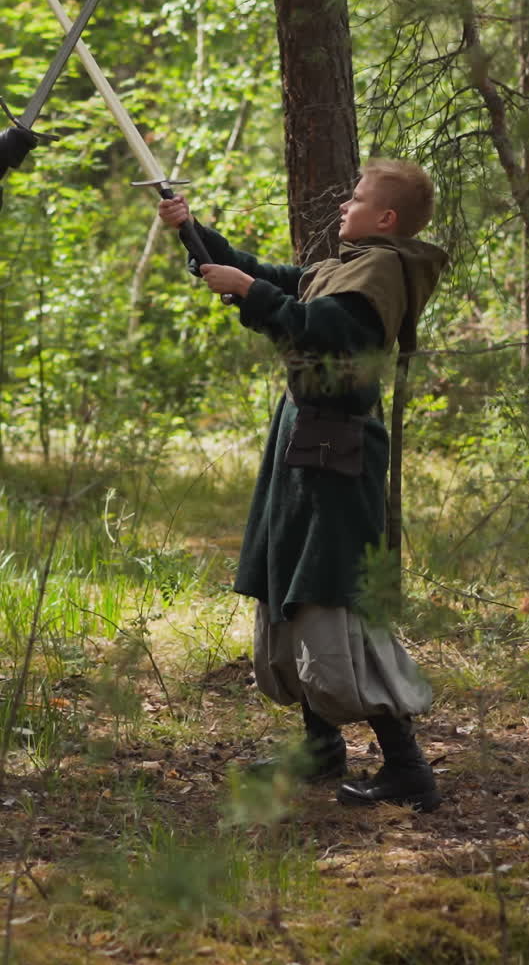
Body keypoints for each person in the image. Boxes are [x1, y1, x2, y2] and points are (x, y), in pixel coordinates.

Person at [158, 159, 447, 811]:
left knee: (330, 596)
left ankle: (408, 770)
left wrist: (252, 295)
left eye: (356, 198)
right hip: (304, 436)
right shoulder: (349, 262)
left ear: (387, 218)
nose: (344, 205)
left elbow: (325, 332)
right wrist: (192, 231)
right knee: (289, 582)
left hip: (337, 451)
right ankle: (320, 750)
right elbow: (277, 280)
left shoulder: (381, 270)